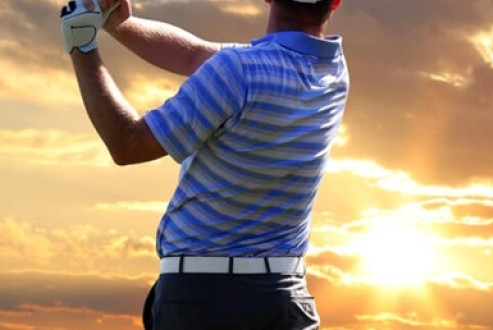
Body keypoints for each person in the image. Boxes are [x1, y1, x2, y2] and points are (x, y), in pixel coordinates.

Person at [59, 0, 348, 328]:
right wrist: (118, 24)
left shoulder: (236, 71)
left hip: (201, 300)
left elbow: (127, 144)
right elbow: (194, 55)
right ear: (335, 2)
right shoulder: (334, 71)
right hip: (284, 298)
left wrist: (81, 41)